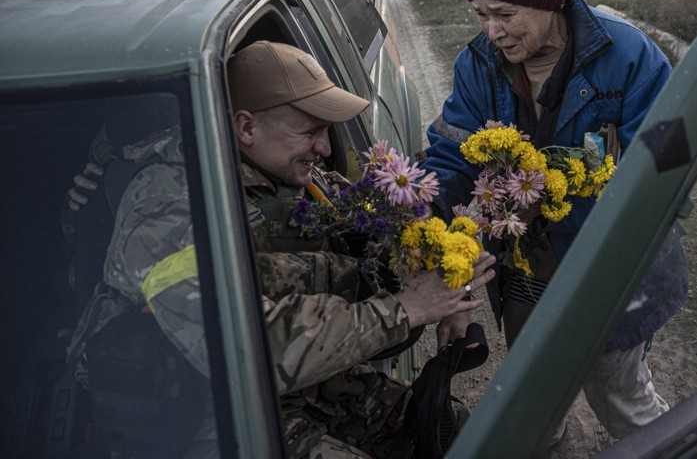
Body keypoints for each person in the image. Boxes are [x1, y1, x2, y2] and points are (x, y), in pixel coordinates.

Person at [67, 40, 495, 458]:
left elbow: (375, 236)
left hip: (310, 386)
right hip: (219, 418)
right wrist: (406, 310)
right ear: (246, 127)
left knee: (456, 431)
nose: (326, 148)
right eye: (310, 131)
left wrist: (445, 283)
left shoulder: (291, 175)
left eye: (327, 132)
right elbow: (246, 347)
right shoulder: (170, 207)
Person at [420, 0, 689, 443]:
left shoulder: (631, 59)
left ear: (550, 0)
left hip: (612, 271)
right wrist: (419, 206)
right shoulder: (477, 64)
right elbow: (453, 154)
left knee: (618, 393)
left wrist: (569, 193)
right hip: (527, 270)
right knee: (536, 398)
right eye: (481, 14)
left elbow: (670, 174)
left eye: (505, 14)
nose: (492, 30)